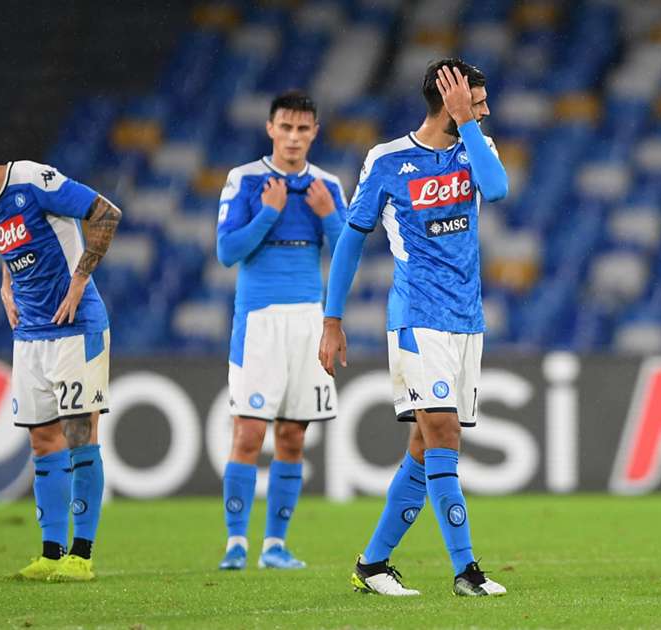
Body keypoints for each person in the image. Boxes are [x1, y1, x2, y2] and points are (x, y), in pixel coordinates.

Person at [319, 59, 509, 597]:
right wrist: (332, 320)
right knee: (444, 434)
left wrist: (467, 125)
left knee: (425, 447)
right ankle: (466, 572)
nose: (485, 110)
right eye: (477, 101)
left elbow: (496, 190)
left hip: (466, 321)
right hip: (417, 318)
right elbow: (351, 240)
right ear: (449, 102)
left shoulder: (477, 149)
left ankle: (372, 564)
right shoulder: (387, 160)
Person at [0, 139, 122, 582]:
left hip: (75, 328)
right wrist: (6, 284)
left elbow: (106, 213)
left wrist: (80, 280)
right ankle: (51, 553)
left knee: (80, 437)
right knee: (42, 442)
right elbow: (15, 244)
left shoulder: (33, 180)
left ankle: (81, 555)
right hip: (29, 336)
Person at [215, 90, 346, 571]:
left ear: (315, 133)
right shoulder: (246, 179)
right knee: (249, 433)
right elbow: (227, 252)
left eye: (302, 128)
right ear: (270, 128)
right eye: (285, 127)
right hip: (258, 321)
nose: (293, 137)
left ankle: (275, 545)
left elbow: (347, 254)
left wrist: (329, 216)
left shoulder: (328, 185)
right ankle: (236, 543)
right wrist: (268, 212)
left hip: (308, 321)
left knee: (292, 436)